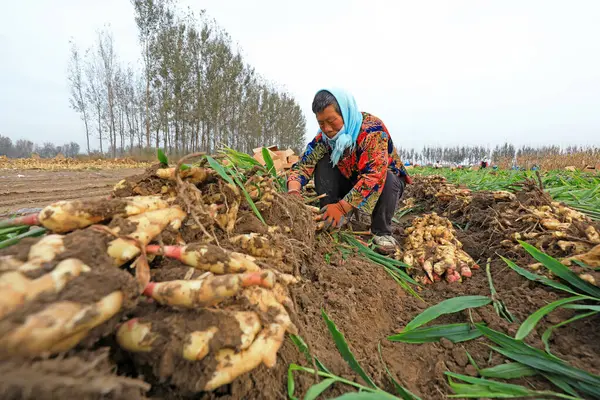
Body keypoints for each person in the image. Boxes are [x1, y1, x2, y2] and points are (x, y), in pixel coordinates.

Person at [287, 88, 411, 253]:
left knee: (387, 178)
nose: (327, 128)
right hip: (351, 179)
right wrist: (293, 191)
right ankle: (330, 216)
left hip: (384, 184)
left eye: (332, 121)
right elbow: (304, 165)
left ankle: (382, 231)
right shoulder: (324, 139)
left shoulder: (372, 131)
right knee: (323, 162)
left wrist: (342, 207)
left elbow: (373, 177)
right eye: (321, 123)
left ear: (345, 114)